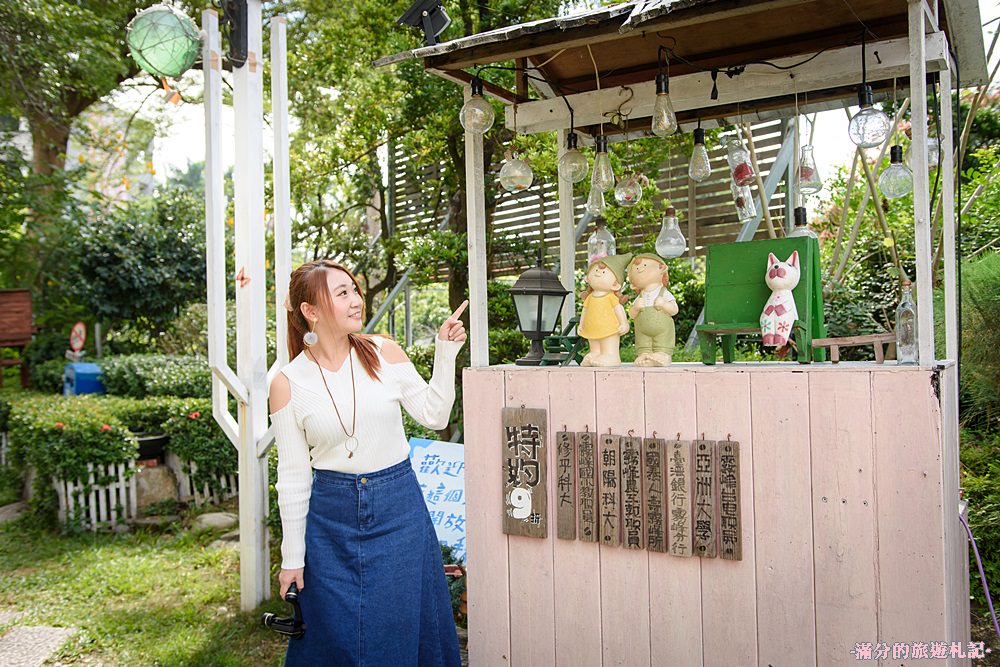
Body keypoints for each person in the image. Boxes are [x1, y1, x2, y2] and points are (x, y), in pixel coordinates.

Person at [268, 259, 467, 667]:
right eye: (342, 293)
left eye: (354, 290)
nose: (356, 300)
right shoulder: (287, 383)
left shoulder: (382, 351)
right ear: (311, 311)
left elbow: (435, 415)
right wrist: (292, 559)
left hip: (399, 509)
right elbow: (291, 477)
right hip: (331, 518)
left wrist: (445, 353)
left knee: (404, 622)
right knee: (337, 630)